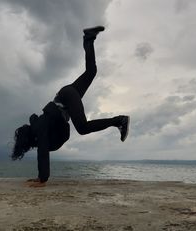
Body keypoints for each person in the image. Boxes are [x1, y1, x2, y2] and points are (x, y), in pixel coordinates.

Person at [12, 26, 130, 187]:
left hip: (66, 97)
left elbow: (43, 152)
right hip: (66, 94)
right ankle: (89, 38)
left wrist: (42, 178)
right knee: (91, 71)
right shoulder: (38, 125)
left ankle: (119, 121)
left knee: (82, 128)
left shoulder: (39, 131)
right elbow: (45, 134)